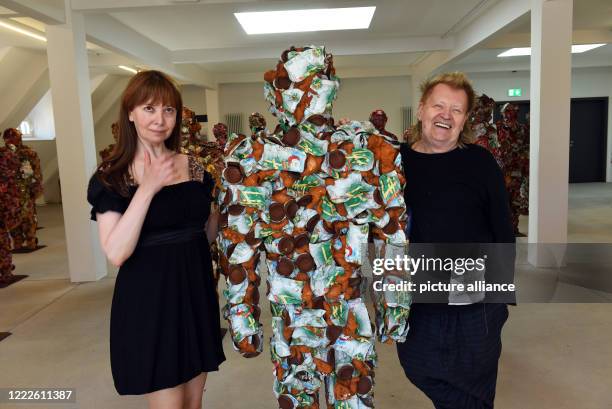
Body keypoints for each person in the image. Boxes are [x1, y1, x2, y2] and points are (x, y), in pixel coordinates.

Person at [87, 70, 225, 409]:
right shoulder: (112, 176)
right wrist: (147, 188)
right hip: (150, 300)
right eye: (149, 109)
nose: (160, 120)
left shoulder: (194, 168)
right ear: (130, 113)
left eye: (168, 110)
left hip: (195, 292)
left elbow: (203, 235)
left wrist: (228, 209)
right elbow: (117, 253)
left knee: (193, 403)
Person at [397, 72, 515, 409]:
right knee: (418, 365)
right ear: (421, 110)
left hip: (473, 287)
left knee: (474, 377)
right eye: (439, 105)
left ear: (464, 120)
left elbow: (502, 230)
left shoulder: (479, 162)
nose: (446, 115)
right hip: (419, 287)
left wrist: (499, 297)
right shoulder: (397, 162)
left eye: (457, 110)